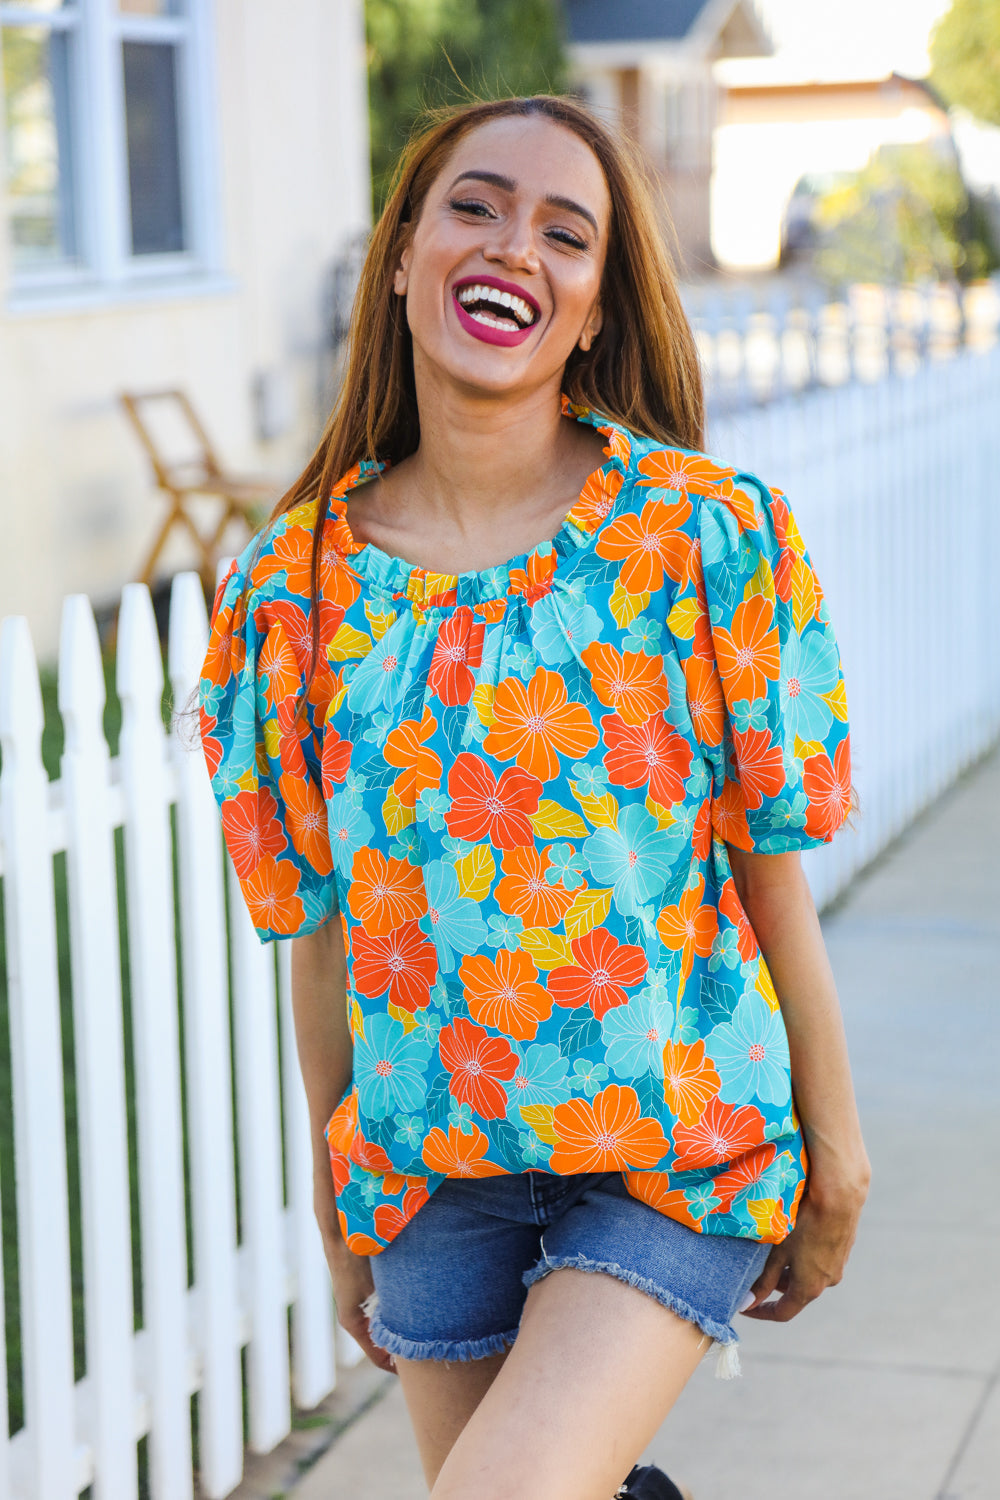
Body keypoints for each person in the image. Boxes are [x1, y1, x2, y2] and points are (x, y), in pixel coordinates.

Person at [199, 95, 870, 1500]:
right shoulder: (291, 593)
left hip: (676, 1143)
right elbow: (316, 930)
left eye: (567, 233)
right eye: (476, 205)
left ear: (594, 316)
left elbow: (768, 871)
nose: (516, 245)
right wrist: (343, 1218)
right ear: (402, 255)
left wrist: (840, 1155)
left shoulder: (700, 535)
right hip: (432, 1168)